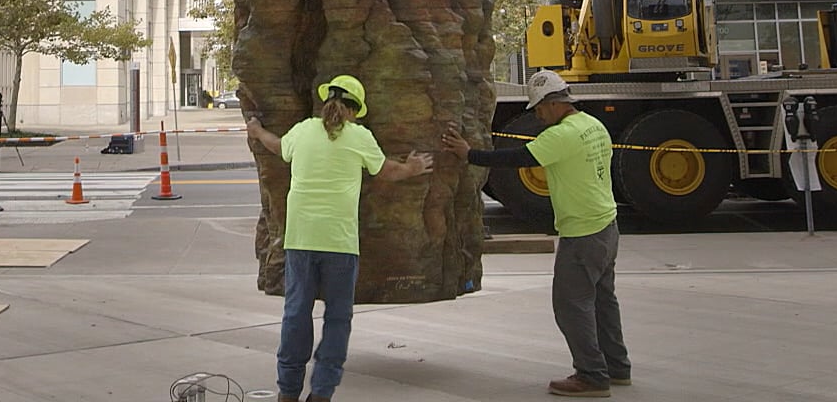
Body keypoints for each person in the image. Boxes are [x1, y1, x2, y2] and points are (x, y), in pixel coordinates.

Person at [245, 74, 434, 402]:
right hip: (340, 243)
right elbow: (387, 171)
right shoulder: (358, 136)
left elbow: (278, 148)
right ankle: (321, 393)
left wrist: (257, 130)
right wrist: (413, 168)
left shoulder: (304, 130)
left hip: (301, 240)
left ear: (326, 102)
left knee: (296, 313)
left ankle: (287, 392)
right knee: (337, 318)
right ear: (355, 110)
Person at [442, 70, 629, 398]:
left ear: (554, 103)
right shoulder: (593, 126)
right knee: (602, 301)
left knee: (571, 305)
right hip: (607, 228)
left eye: (540, 108)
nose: (538, 114)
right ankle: (617, 367)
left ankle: (592, 376)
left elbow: (517, 158)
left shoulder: (561, 136)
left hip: (583, 232)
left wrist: (468, 154)